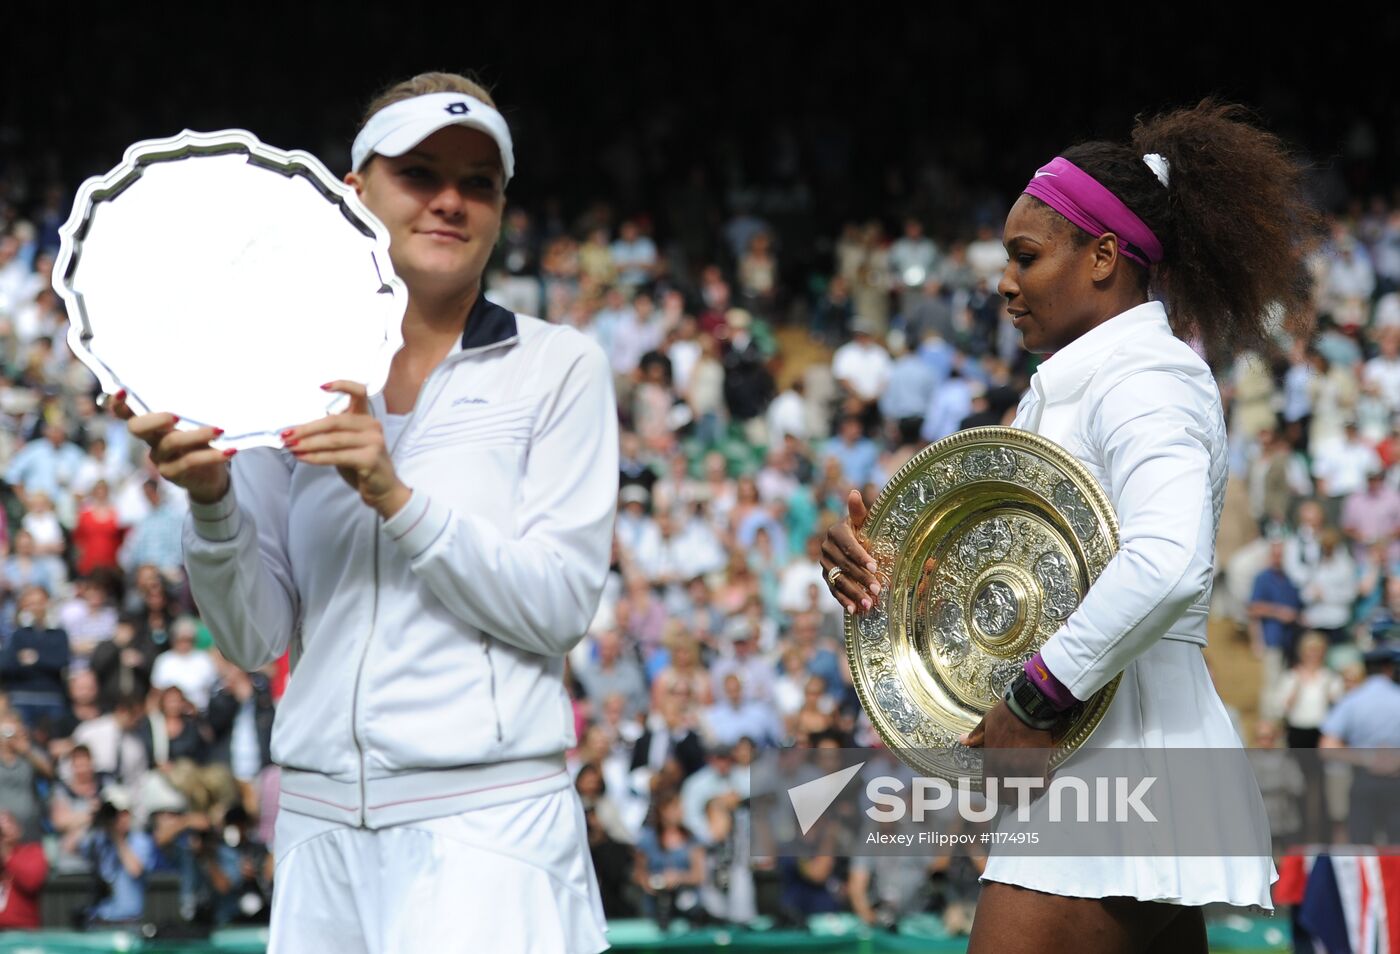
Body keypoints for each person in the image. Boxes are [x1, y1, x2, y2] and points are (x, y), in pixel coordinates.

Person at [117, 72, 616, 952]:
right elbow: (253, 637)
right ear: (354, 194)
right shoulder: (279, 377)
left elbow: (559, 607)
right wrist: (211, 504)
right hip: (317, 831)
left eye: (478, 183)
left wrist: (396, 498)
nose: (450, 202)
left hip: (489, 825)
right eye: (420, 174)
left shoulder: (558, 366)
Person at [821, 101, 1318, 952]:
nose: (1004, 282)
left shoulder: (1145, 377)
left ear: (1102, 256)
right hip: (1109, 758)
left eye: (1025, 256)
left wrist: (1038, 693)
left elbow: (1167, 564)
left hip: (1112, 755)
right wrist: (890, 576)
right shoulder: (1075, 384)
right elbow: (1035, 583)